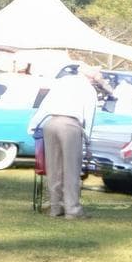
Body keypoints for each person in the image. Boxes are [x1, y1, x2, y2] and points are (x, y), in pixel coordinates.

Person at [29, 65, 101, 219]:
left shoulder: (62, 82)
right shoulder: (88, 89)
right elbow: (89, 114)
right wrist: (87, 139)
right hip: (70, 124)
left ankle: (56, 207)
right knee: (71, 169)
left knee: (54, 168)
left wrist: (33, 125)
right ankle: (72, 210)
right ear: (91, 77)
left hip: (51, 122)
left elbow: (45, 105)